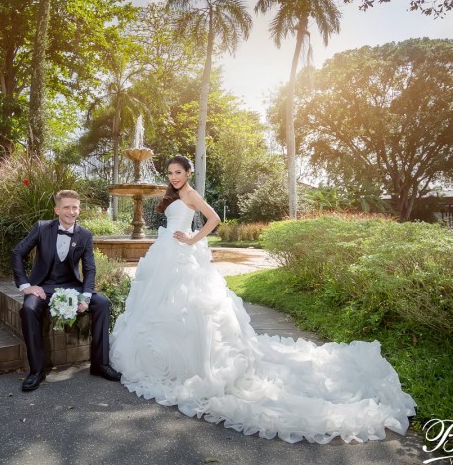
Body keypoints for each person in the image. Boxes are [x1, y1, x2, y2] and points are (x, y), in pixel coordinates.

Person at [109, 156, 416, 444]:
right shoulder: (174, 195)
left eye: (179, 173)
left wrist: (192, 238)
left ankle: (193, 364)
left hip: (182, 254)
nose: (175, 178)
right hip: (166, 254)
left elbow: (213, 218)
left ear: (188, 173)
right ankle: (169, 359)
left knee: (194, 308)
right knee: (164, 305)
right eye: (171, 173)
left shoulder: (191, 194)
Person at [12, 189, 121, 392]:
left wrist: (86, 297)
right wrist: (26, 286)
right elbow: (17, 252)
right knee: (28, 310)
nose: (71, 212)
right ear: (57, 209)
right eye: (66, 207)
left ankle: (100, 364)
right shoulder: (42, 228)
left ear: (79, 209)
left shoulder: (85, 235)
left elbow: (89, 268)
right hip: (43, 287)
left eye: (75, 208)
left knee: (102, 303)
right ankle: (36, 370)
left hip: (71, 285)